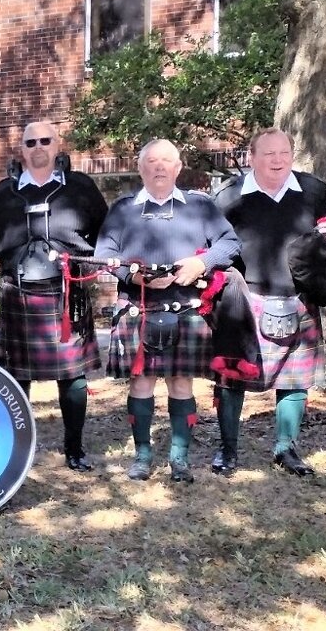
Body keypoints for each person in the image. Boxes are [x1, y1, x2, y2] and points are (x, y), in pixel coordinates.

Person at [93, 139, 241, 483]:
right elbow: (105, 252)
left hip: (185, 306)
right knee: (140, 382)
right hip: (138, 306)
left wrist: (201, 263)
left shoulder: (200, 207)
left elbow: (230, 243)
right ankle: (142, 457)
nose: (159, 167)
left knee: (181, 383)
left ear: (178, 168)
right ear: (141, 167)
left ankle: (180, 459)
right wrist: (132, 273)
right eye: (152, 161)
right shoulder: (124, 209)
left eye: (166, 161)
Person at [210, 128, 326, 477]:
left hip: (300, 295)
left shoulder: (313, 190)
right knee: (231, 378)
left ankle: (285, 449)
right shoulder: (228, 197)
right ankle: (227, 451)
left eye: (284, 153)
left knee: (295, 381)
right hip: (244, 297)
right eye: (269, 154)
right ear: (252, 158)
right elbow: (210, 242)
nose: (277, 160)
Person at [0, 120, 109, 473]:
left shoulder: (80, 187)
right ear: (20, 149)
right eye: (30, 141)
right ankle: (16, 448)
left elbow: (106, 232)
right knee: (15, 376)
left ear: (58, 145)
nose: (38, 146)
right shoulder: (5, 192)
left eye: (45, 140)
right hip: (18, 289)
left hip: (67, 289)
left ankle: (74, 448)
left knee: (72, 375)